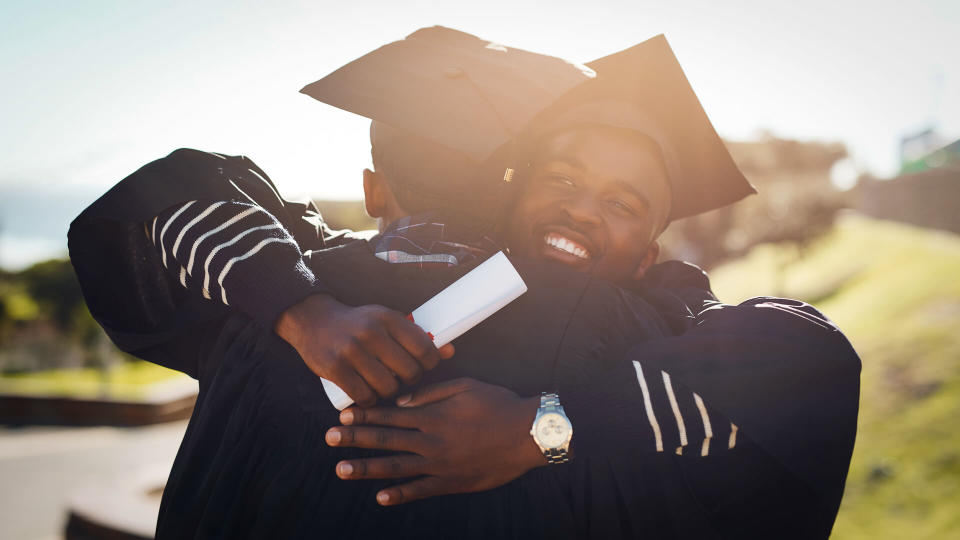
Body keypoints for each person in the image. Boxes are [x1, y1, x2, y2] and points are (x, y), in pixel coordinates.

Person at [68, 27, 860, 538]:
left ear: (650, 254)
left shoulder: (658, 322)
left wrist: (540, 428)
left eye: (622, 204)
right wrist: (303, 310)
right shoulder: (304, 279)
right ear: (512, 194)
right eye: (562, 178)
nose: (583, 210)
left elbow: (807, 363)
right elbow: (171, 199)